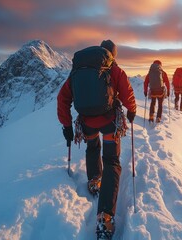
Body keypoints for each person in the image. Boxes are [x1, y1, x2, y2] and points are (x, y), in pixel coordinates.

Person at [57, 39, 136, 239]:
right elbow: (127, 92)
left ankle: (94, 181)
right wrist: (132, 111)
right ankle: (105, 216)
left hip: (86, 122)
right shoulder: (113, 68)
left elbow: (63, 98)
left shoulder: (79, 69)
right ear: (112, 54)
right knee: (111, 161)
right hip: (109, 121)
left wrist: (67, 125)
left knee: (92, 147)